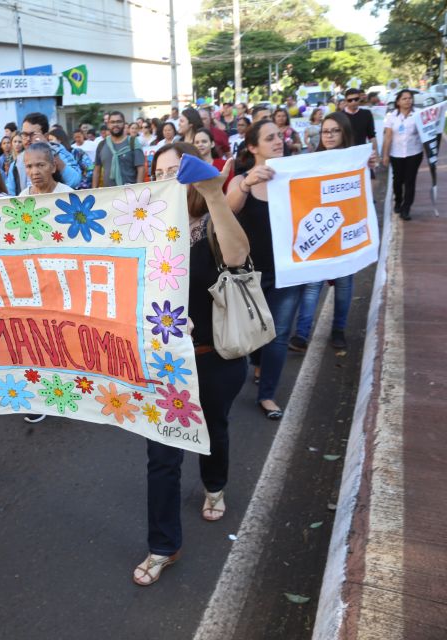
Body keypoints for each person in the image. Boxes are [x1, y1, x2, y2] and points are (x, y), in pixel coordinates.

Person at [134, 143, 250, 587]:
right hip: (162, 365)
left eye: (176, 172)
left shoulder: (209, 225)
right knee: (161, 456)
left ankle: (214, 483)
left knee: (214, 428)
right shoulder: (138, 229)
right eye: (160, 173)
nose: (168, 181)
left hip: (213, 358)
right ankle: (164, 545)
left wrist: (216, 193)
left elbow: (238, 256)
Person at [226, 119, 301, 421]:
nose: (278, 141)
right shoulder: (241, 180)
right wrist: (246, 184)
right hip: (249, 275)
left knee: (279, 334)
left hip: (288, 272)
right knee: (255, 332)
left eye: (280, 136)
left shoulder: (296, 176)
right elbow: (228, 209)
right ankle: (258, 361)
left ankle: (267, 394)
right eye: (270, 138)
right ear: (253, 147)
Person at [290, 111, 376, 354]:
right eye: (325, 131)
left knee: (344, 285)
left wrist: (367, 166)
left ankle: (338, 330)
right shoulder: (310, 160)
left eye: (334, 131)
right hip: (318, 234)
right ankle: (302, 334)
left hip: (345, 234)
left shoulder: (355, 160)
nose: (328, 135)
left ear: (344, 132)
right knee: (311, 285)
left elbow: (364, 193)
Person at [6, 112, 82, 195]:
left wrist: (52, 153)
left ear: (45, 136)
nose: (27, 139)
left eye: (33, 135)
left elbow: (74, 181)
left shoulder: (59, 153)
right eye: (24, 134)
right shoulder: (17, 163)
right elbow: (11, 194)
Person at [383, 89, 424, 221]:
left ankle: (406, 209)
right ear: (398, 102)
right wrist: (385, 155)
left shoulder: (418, 114)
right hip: (396, 154)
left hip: (414, 153)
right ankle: (398, 201)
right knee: (398, 181)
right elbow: (388, 137)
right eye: (404, 98)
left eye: (410, 98)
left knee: (410, 181)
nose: (408, 101)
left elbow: (426, 132)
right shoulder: (391, 116)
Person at [92, 110, 146, 188]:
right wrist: (94, 192)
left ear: (124, 124)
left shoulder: (133, 142)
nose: (115, 124)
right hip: (108, 194)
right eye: (112, 122)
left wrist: (138, 190)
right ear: (108, 125)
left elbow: (141, 168)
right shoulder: (102, 144)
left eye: (119, 121)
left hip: (130, 193)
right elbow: (97, 170)